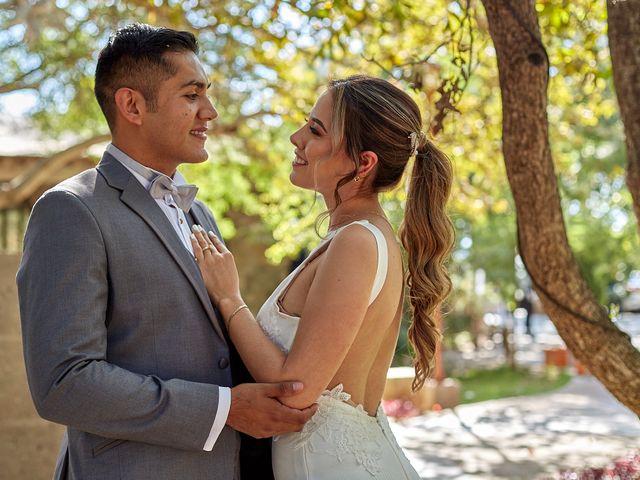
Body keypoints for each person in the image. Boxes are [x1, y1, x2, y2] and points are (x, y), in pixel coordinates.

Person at [16, 24, 315, 480]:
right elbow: (64, 382)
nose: (210, 112)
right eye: (192, 95)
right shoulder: (70, 211)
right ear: (132, 105)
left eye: (206, 94)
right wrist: (224, 410)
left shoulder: (203, 216)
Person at [191, 75, 454, 479]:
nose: (296, 138)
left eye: (315, 131)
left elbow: (295, 389)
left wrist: (230, 299)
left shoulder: (357, 243)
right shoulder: (358, 238)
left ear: (363, 163)